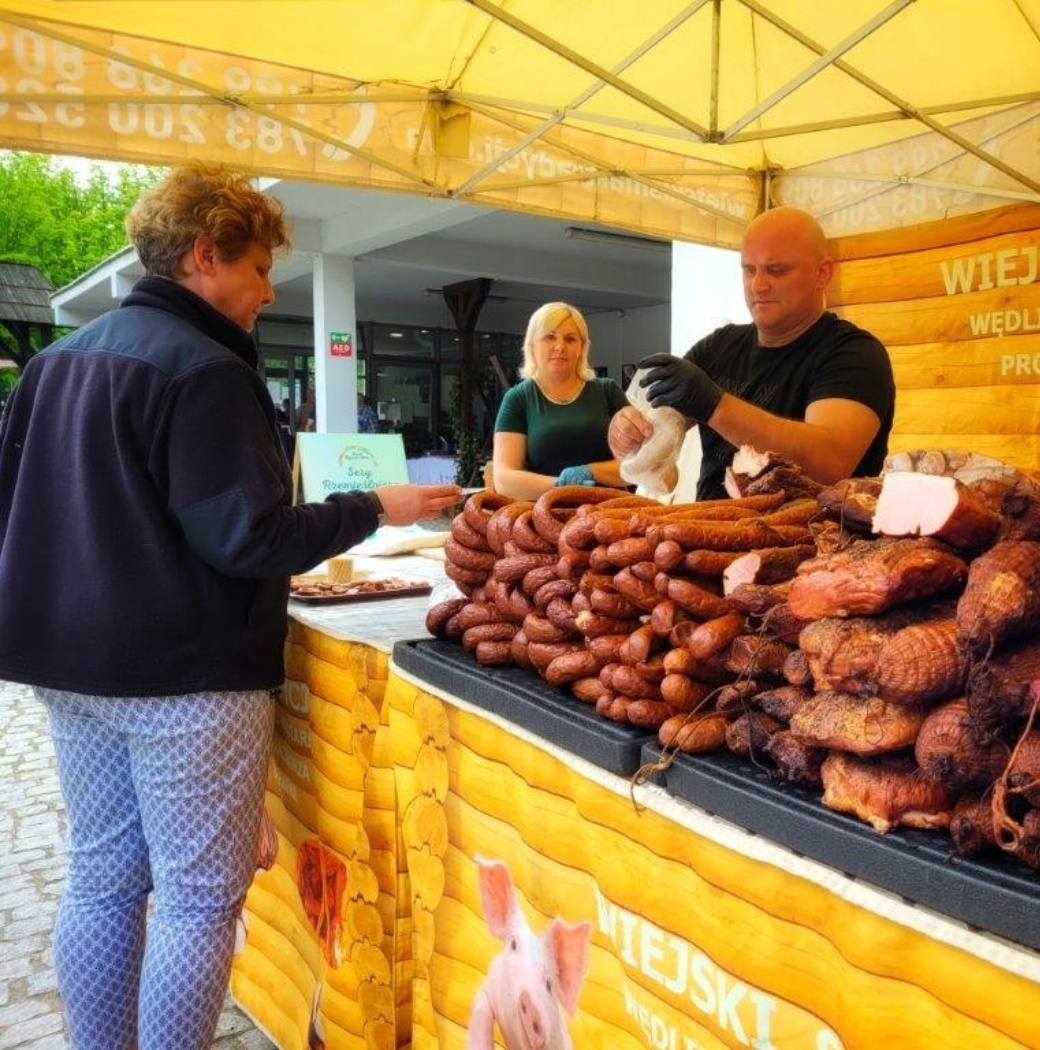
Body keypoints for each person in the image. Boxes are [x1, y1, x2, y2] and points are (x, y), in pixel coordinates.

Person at [0, 163, 461, 1050]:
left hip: (68, 666)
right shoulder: (204, 371)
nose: (268, 288)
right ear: (206, 256)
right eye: (257, 267)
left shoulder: (54, 363)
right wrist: (373, 508)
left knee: (101, 878)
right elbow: (248, 540)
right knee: (197, 896)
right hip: (183, 678)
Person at [607, 206, 895, 500]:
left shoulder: (854, 354)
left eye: (777, 270)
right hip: (708, 536)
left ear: (822, 274)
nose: (758, 285)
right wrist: (627, 431)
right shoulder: (718, 347)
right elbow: (656, 427)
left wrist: (715, 406)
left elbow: (830, 461)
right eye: (749, 270)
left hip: (814, 542)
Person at [491, 301, 628, 500]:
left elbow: (636, 465)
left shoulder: (607, 391)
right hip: (541, 516)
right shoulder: (518, 399)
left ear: (582, 347)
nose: (560, 346)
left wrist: (591, 471)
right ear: (532, 345)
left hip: (609, 516)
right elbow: (504, 480)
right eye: (549, 337)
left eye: (570, 339)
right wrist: (562, 485)